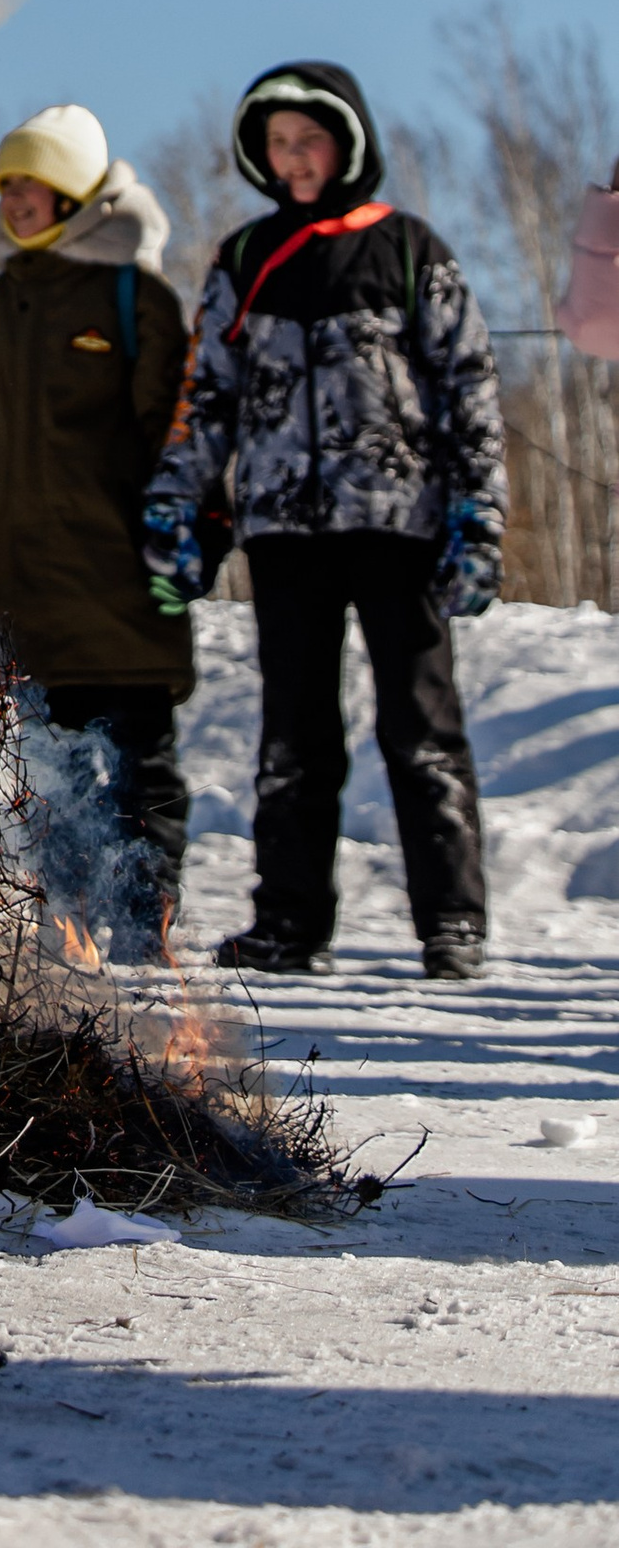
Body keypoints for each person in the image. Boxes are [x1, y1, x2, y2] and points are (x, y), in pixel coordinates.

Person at [144, 59, 505, 983]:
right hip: (285, 533)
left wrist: (478, 513)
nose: (294, 159)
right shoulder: (243, 258)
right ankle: (290, 924)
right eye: (278, 144)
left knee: (421, 726)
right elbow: (206, 398)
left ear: (347, 145)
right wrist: (179, 504)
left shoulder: (410, 248)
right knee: (293, 734)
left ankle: (452, 922)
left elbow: (470, 387)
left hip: (400, 525)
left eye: (309, 140)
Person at [0, 102, 191, 962]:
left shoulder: (139, 298)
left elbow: (179, 439)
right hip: (26, 583)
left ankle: (146, 923)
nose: (15, 199)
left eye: (32, 182)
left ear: (75, 190)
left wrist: (179, 546)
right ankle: (63, 926)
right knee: (45, 773)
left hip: (126, 577)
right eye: (7, 185)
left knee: (143, 766)